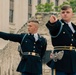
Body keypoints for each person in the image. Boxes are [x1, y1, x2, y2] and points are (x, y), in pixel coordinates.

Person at [46, 5, 76, 75]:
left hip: (73, 59)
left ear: (72, 14)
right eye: (63, 12)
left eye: (67, 12)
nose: (65, 14)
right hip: (61, 59)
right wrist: (52, 22)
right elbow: (52, 28)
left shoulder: (74, 27)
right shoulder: (58, 24)